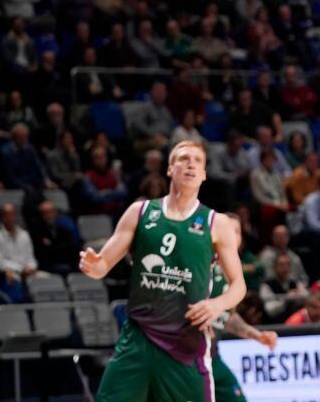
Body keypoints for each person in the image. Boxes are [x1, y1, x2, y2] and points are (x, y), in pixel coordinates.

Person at [78, 141, 246, 401]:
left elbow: (238, 286)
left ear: (203, 174)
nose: (190, 164)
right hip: (138, 338)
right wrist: (92, 265)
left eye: (197, 161)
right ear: (170, 168)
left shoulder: (217, 223)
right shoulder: (140, 212)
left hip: (185, 342)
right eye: (183, 158)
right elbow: (102, 266)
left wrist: (217, 305)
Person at [208, 219, 279, 402]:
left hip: (212, 358)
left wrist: (256, 335)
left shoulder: (233, 274)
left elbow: (227, 317)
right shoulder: (202, 264)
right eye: (228, 229)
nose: (232, 235)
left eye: (237, 231)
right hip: (185, 358)